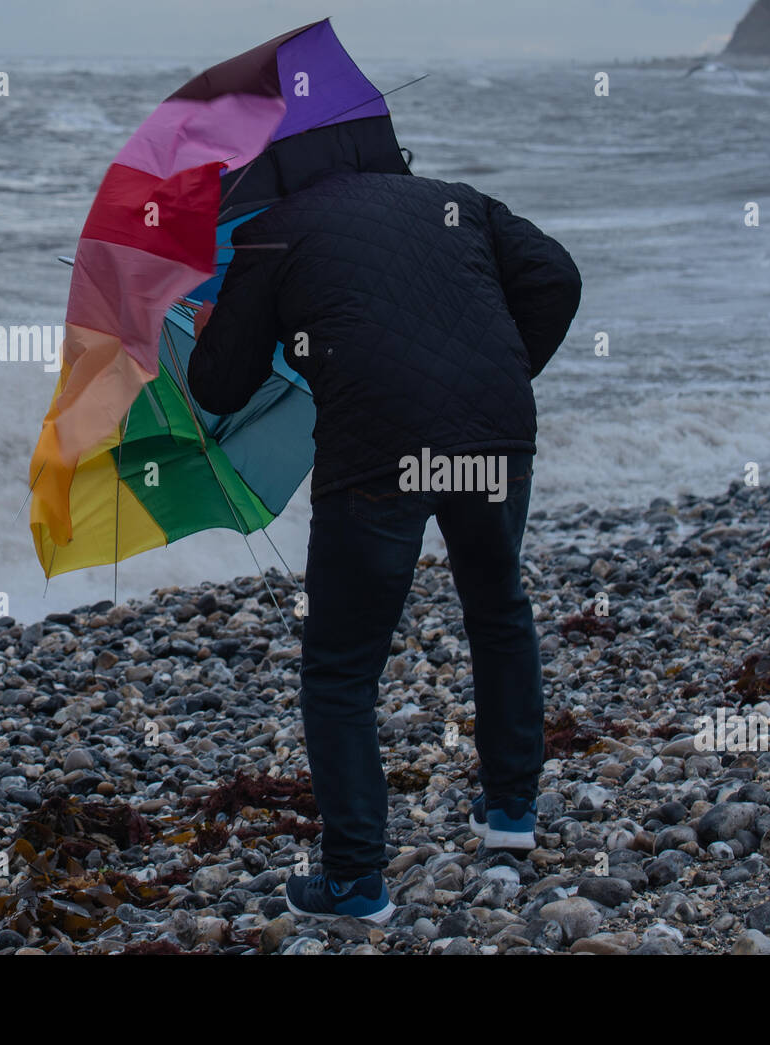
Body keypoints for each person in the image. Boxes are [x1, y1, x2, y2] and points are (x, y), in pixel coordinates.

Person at [188, 168, 581, 924]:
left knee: (340, 667)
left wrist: (211, 336)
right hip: (494, 432)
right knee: (498, 609)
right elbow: (556, 277)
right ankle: (510, 814)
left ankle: (354, 880)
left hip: (378, 453)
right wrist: (499, 370)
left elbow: (223, 386)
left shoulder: (272, 228)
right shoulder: (458, 201)